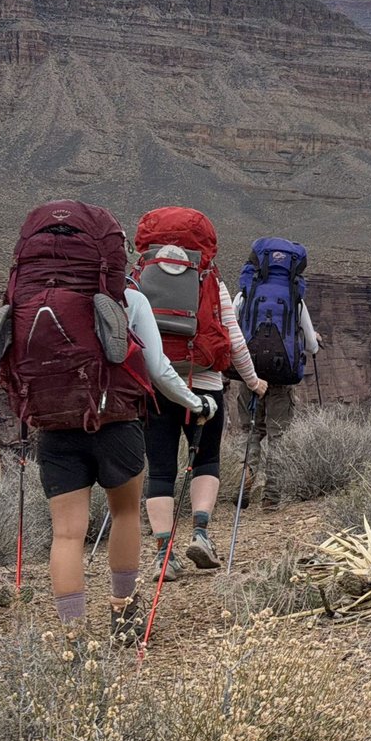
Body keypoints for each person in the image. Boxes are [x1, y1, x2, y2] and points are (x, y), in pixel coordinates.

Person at [0, 200, 215, 645]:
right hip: (116, 423)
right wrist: (196, 404)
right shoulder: (127, 298)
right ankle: (123, 617)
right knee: (125, 513)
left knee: (66, 534)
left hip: (54, 426)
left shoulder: (24, 299)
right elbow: (157, 368)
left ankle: (73, 637)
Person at [134, 207, 268, 579]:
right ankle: (201, 534)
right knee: (206, 459)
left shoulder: (137, 279)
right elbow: (235, 340)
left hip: (156, 388)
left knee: (160, 469)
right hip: (206, 386)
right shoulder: (210, 280)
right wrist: (253, 382)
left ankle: (164, 554)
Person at [233, 236, 321, 510]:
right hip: (281, 379)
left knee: (250, 432)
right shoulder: (295, 299)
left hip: (250, 373)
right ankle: (271, 498)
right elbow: (310, 345)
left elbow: (233, 332)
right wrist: (314, 341)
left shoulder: (245, 294)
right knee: (278, 436)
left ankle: (245, 481)